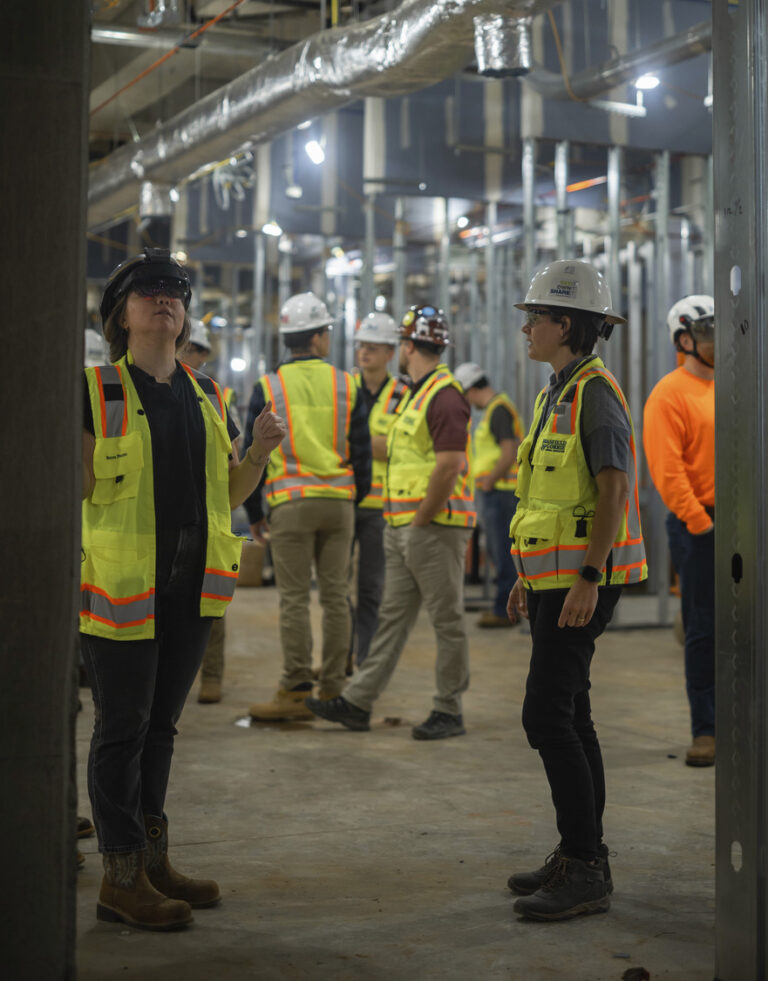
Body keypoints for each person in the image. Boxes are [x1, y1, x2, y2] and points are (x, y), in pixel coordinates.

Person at [81, 248, 286, 931]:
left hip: (191, 590)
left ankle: (153, 862)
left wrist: (256, 451)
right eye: (148, 291)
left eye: (174, 290)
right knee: (122, 728)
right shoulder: (94, 391)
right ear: (123, 314)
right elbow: (70, 486)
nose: (164, 298)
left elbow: (226, 492)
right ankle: (120, 875)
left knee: (161, 728)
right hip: (121, 590)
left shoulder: (208, 394)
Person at [505, 259, 647, 921]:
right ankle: (580, 851)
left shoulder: (595, 392)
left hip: (582, 582)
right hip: (553, 579)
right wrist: (523, 576)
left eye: (535, 317)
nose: (526, 328)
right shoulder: (557, 391)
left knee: (547, 716)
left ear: (564, 324)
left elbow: (615, 485)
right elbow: (546, 498)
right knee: (572, 713)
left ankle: (585, 863)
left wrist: (590, 576)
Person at [306, 304, 476, 740]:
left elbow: (450, 465)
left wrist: (421, 519)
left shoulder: (444, 395)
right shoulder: (417, 393)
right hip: (403, 525)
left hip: (433, 526)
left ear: (405, 346)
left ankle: (448, 708)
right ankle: (358, 702)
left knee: (447, 619)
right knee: (391, 619)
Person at [245, 292, 372, 721]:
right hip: (339, 505)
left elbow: (252, 454)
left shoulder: (268, 386)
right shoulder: (348, 383)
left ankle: (297, 689)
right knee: (336, 596)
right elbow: (362, 452)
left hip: (289, 505)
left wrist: (255, 515)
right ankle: (335, 688)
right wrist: (355, 495)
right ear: (317, 338)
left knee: (295, 599)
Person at [643, 295, 715, 767]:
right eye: (710, 333)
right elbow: (668, 473)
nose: (719, 341)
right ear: (685, 340)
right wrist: (701, 524)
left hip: (743, 519)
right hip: (699, 525)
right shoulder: (670, 393)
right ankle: (706, 729)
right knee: (704, 628)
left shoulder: (736, 383)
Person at [180, 319, 243, 704]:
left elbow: (235, 458)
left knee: (210, 604)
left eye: (197, 351)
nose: (192, 357)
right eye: (189, 349)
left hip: (209, 514)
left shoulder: (213, 394)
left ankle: (212, 677)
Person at [350, 312, 409, 665]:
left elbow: (403, 445)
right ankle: (339, 655)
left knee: (371, 587)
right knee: (334, 589)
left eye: (372, 348)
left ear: (390, 352)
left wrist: (358, 441)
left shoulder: (404, 392)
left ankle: (365, 656)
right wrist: (374, 443)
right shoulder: (343, 386)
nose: (364, 354)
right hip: (345, 497)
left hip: (380, 506)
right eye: (361, 347)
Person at [455, 362, 524, 628]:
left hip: (500, 493)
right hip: (497, 493)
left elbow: (509, 450)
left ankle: (504, 611)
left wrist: (488, 483)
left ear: (471, 389)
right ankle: (505, 607)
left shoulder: (498, 410)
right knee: (501, 554)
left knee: (504, 554)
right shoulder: (498, 409)